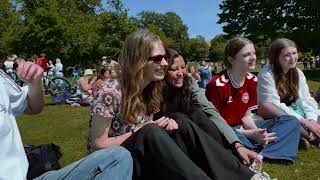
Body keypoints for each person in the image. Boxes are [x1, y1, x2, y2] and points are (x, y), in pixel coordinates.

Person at [89, 30, 269, 180]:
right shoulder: (110, 92)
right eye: (158, 58)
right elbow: (97, 146)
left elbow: (207, 110)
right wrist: (144, 129)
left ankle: (246, 176)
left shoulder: (150, 90)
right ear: (139, 60)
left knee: (180, 122)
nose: (165, 63)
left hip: (145, 156)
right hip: (119, 165)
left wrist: (237, 145)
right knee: (150, 132)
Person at [0, 61, 133, 180]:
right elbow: (88, 90)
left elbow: (32, 106)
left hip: (22, 175)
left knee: (118, 156)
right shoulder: (99, 85)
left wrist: (35, 81)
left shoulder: (2, 78)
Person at [161, 47, 272, 178]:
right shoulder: (157, 89)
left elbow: (210, 110)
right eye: (174, 69)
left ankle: (237, 159)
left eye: (183, 67)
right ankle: (243, 171)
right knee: (181, 119)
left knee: (198, 113)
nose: (181, 73)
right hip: (172, 137)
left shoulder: (189, 82)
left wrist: (237, 145)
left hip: (198, 133)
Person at [206, 37, 300, 164]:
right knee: (223, 137)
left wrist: (257, 132)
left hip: (243, 128)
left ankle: (261, 155)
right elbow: (214, 124)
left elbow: (246, 116)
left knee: (290, 121)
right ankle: (264, 150)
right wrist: (250, 134)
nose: (253, 57)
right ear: (231, 59)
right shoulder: (217, 84)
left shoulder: (252, 80)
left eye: (253, 53)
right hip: (225, 130)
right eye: (246, 55)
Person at [257, 38, 320, 148]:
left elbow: (306, 99)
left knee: (314, 117)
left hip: (296, 111)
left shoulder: (298, 72)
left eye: (294, 53)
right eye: (287, 55)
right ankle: (311, 139)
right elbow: (274, 106)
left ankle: (302, 137)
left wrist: (312, 120)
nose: (292, 58)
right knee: (291, 123)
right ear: (276, 58)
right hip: (276, 115)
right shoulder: (266, 76)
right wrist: (305, 122)